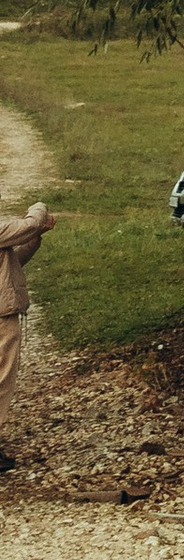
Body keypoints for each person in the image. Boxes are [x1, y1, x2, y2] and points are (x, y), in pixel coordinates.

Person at [0, 195, 57, 472]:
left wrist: (36, 236)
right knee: (2, 379)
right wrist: (39, 208)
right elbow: (31, 223)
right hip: (1, 317)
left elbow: (14, 262)